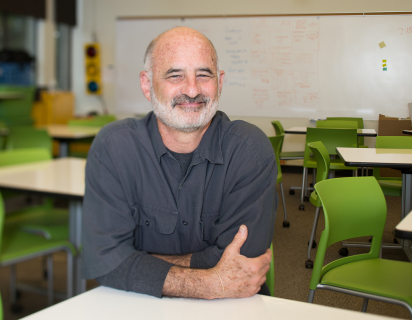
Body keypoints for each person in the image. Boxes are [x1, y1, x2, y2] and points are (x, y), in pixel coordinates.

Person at [82, 26, 277, 299]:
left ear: (219, 81)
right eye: (175, 75)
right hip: (139, 307)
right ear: (147, 85)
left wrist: (134, 262)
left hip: (233, 306)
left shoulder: (249, 150)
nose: (192, 89)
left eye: (204, 75)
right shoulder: (115, 148)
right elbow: (103, 260)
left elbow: (241, 263)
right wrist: (207, 283)